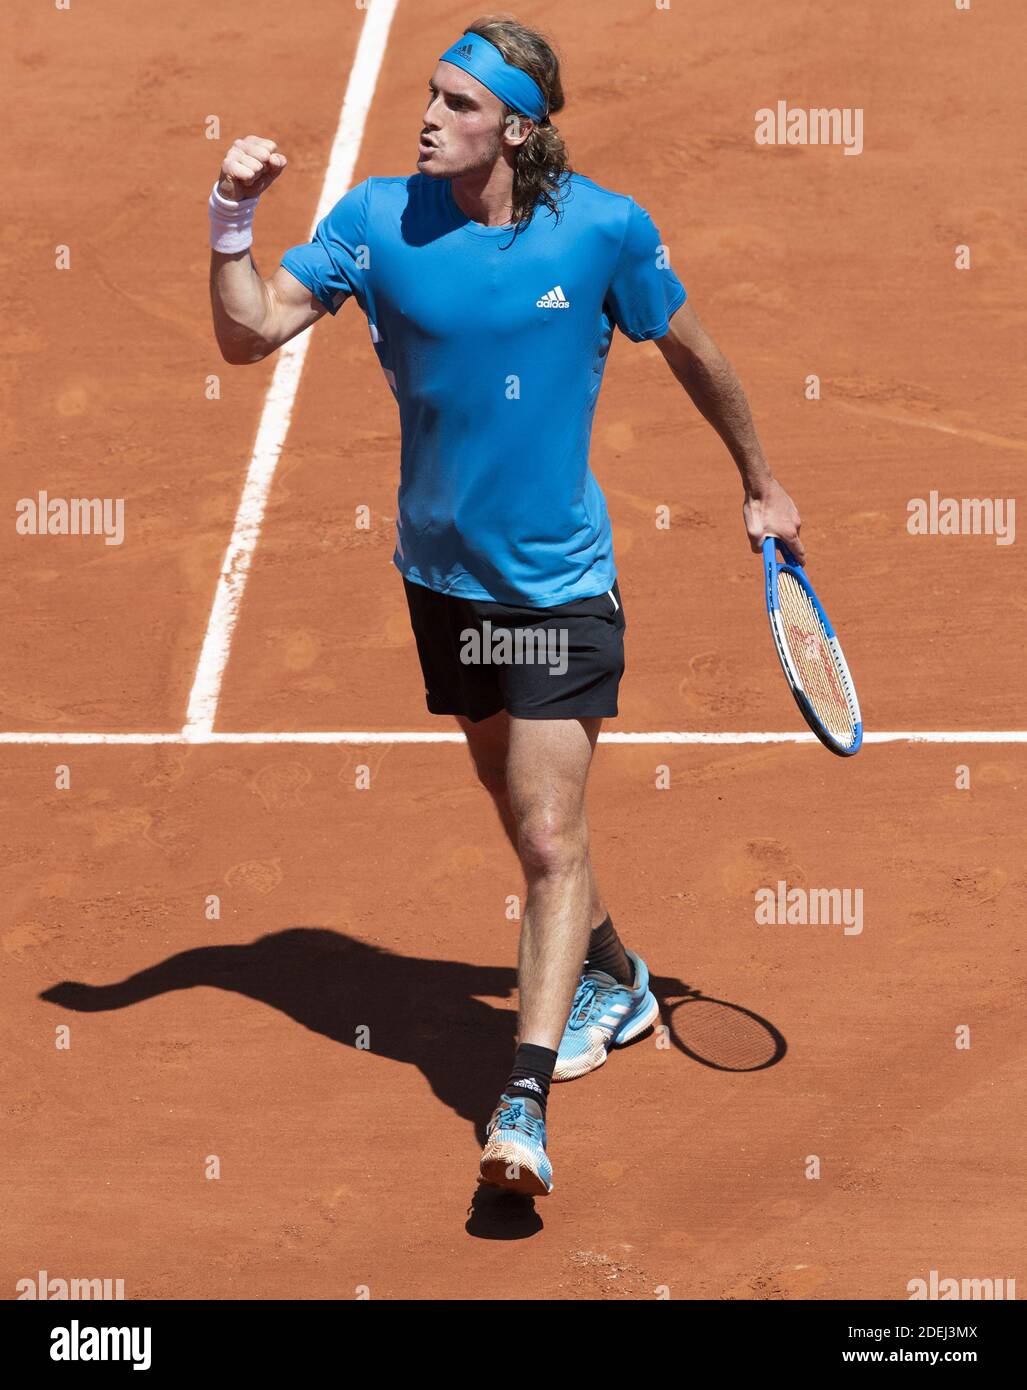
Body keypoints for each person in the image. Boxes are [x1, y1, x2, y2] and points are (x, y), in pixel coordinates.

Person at [208, 16, 803, 1198]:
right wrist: (230, 217)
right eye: (429, 95)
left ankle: (518, 1108)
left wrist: (759, 477)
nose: (427, 117)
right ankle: (614, 974)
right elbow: (247, 332)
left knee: (544, 837)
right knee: (515, 803)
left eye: (456, 104)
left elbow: (692, 348)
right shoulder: (378, 221)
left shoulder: (600, 230)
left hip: (559, 589)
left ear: (515, 127)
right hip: (440, 582)